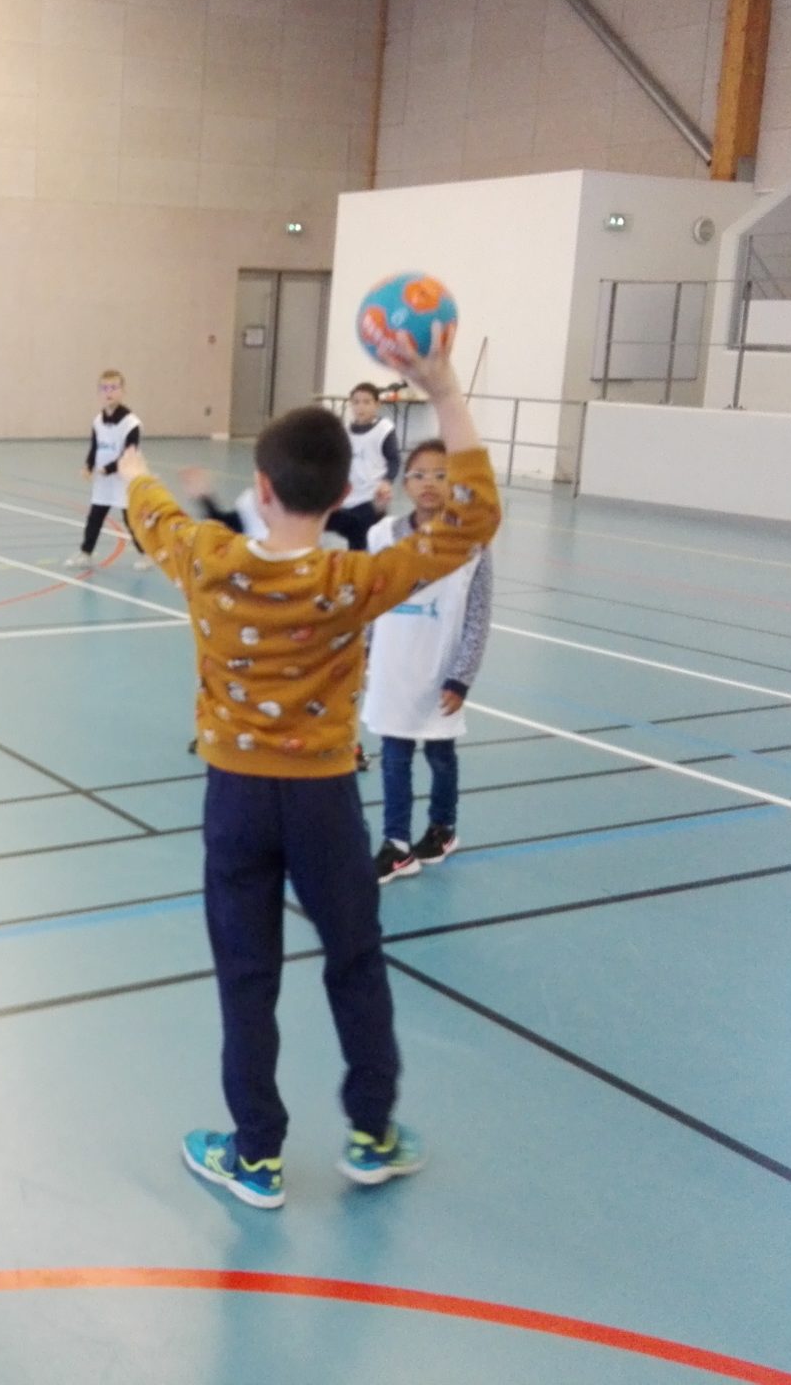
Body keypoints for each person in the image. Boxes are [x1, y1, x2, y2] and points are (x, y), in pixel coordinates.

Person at [119, 329, 499, 1206]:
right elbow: (474, 520)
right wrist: (441, 388)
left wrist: (133, 462)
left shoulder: (210, 561)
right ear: (343, 497)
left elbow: (151, 513)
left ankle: (256, 1154)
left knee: (246, 976)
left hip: (237, 801)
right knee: (355, 959)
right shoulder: (355, 577)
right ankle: (370, 1133)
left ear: (261, 489)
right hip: (326, 802)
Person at [177, 464, 368, 773]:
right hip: (255, 608)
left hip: (301, 606)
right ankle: (225, 736)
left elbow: (356, 525)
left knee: (317, 685)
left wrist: (361, 552)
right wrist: (205, 499)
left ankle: (349, 747)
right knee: (241, 677)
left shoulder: (309, 506)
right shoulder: (251, 504)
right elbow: (227, 526)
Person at [365, 439, 493, 883]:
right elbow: (370, 598)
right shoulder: (381, 536)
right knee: (394, 756)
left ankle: (442, 828)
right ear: (405, 484)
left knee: (440, 754)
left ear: (456, 485)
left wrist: (462, 677)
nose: (430, 484)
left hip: (439, 673)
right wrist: (362, 655)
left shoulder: (472, 544)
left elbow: (478, 615)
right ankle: (397, 844)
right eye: (419, 475)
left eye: (442, 475)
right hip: (391, 671)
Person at [69, 369, 149, 570]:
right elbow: (95, 447)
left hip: (124, 479)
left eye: (114, 387)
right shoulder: (98, 421)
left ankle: (146, 553)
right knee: (95, 516)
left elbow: (129, 452)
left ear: (122, 391)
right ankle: (85, 553)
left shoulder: (131, 423)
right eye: (104, 388)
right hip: (103, 481)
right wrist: (88, 466)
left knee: (130, 519)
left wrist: (110, 468)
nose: (109, 392)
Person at [325, 381, 399, 552]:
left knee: (369, 542)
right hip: (349, 497)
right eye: (356, 402)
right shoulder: (345, 431)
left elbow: (394, 460)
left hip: (372, 497)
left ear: (377, 404)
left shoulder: (384, 429)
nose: (361, 407)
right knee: (355, 542)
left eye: (367, 402)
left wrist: (387, 481)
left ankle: (370, 572)